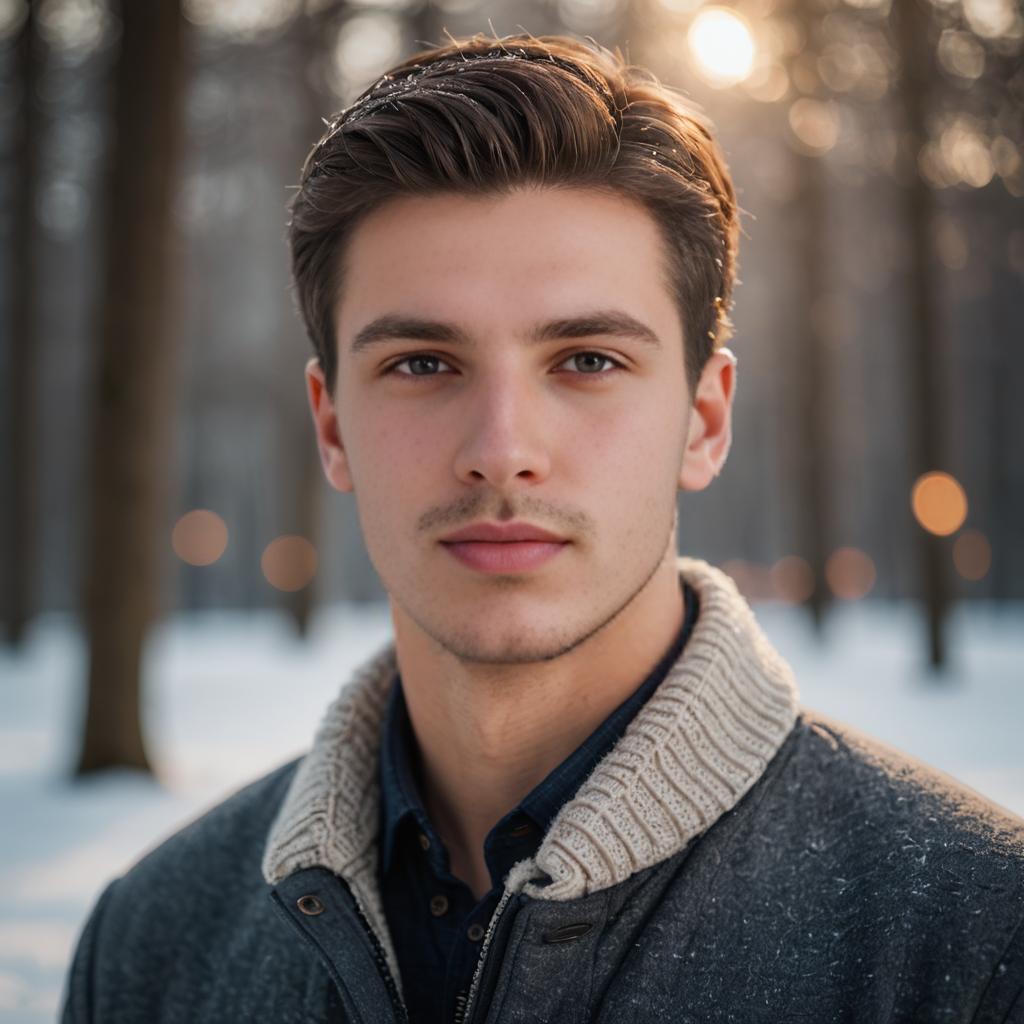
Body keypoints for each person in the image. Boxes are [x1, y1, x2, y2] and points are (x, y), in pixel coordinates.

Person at [62, 32, 1024, 1024]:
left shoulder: (979, 940)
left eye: (588, 360)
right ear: (331, 424)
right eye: (424, 364)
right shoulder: (153, 941)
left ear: (703, 419)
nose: (501, 449)